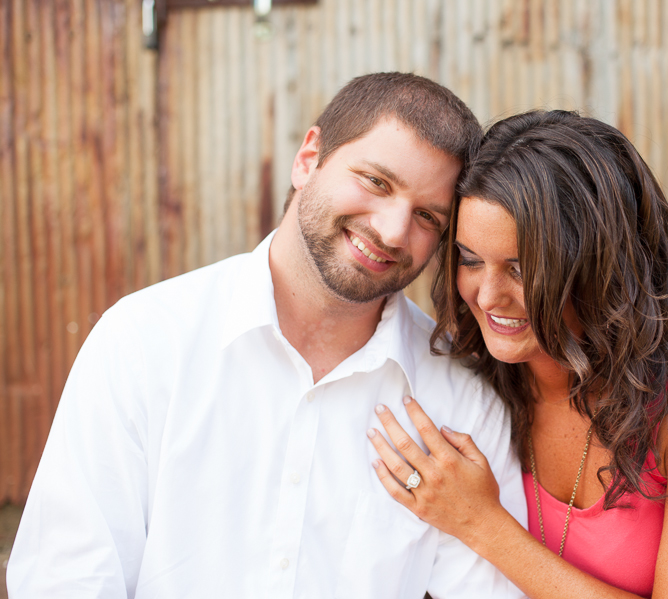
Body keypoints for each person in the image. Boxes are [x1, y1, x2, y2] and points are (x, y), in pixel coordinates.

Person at [7, 73, 527, 599]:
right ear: (309, 159)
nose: (393, 231)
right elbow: (64, 579)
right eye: (375, 181)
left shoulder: (461, 401)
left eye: (426, 216)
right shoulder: (144, 342)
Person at [368, 110, 668, 599]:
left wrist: (481, 523)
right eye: (470, 260)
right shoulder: (487, 374)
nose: (487, 297)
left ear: (601, 264)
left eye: (522, 268)